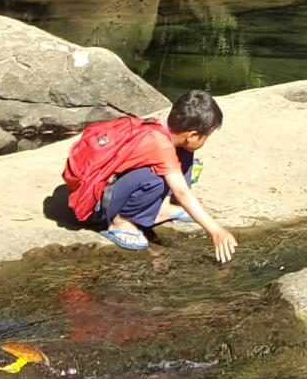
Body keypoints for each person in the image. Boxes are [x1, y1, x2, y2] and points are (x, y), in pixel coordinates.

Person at [62, 90, 238, 262]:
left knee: (184, 152)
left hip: (113, 188)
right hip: (97, 206)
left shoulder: (164, 129)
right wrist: (216, 231)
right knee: (155, 177)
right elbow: (182, 191)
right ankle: (120, 222)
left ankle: (162, 207)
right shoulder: (159, 144)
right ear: (192, 135)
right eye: (206, 136)